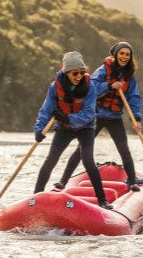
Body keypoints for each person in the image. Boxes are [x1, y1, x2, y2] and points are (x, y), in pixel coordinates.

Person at [54, 42, 142, 191]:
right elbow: (91, 87)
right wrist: (109, 86)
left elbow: (134, 98)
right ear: (115, 55)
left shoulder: (130, 77)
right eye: (122, 53)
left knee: (124, 149)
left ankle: (132, 180)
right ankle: (63, 180)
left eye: (128, 54)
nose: (124, 57)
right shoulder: (103, 70)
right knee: (81, 149)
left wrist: (137, 118)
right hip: (96, 115)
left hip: (114, 117)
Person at [33, 51, 113, 210]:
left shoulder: (89, 86)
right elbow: (46, 110)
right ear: (66, 71)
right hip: (64, 129)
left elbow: (89, 112)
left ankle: (102, 200)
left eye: (82, 72)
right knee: (51, 160)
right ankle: (36, 196)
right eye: (75, 73)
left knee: (88, 161)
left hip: (86, 128)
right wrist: (39, 129)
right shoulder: (54, 87)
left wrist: (69, 118)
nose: (79, 76)